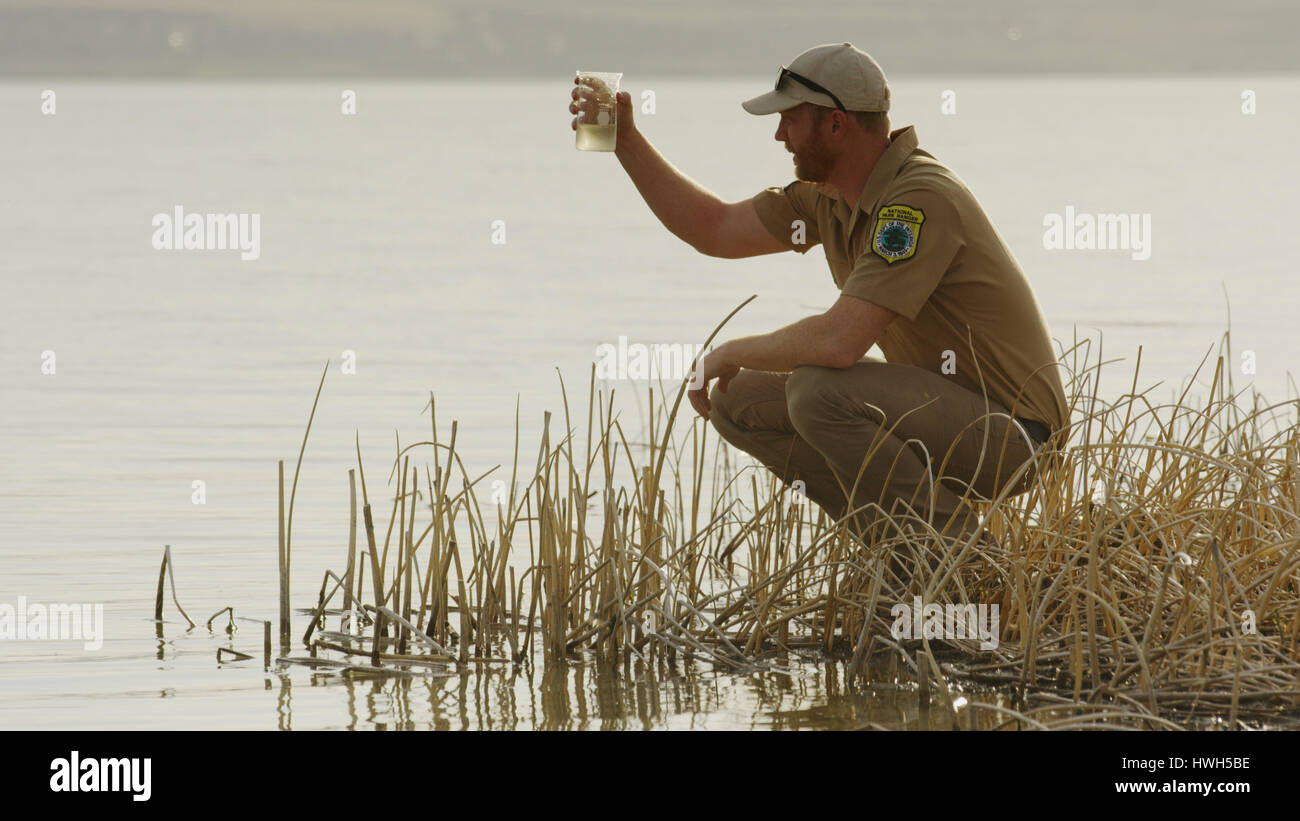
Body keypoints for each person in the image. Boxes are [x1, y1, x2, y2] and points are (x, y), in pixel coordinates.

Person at [569, 43, 1069, 546]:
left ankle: (962, 556)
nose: (779, 134)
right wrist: (625, 140)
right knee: (734, 400)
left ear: (836, 125)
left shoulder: (918, 198)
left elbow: (839, 342)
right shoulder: (828, 199)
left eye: (790, 119)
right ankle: (898, 547)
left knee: (817, 391)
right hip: (950, 417)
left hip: (1018, 440)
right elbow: (714, 228)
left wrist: (730, 350)